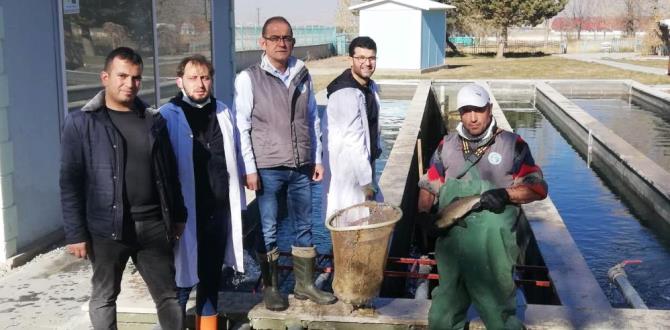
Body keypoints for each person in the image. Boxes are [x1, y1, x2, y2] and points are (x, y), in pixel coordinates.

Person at [60, 47, 186, 330]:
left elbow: (169, 173)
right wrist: (75, 233)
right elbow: (70, 182)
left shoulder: (154, 120)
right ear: (105, 77)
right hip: (107, 229)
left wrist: (179, 214)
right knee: (105, 296)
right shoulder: (81, 123)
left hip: (154, 225)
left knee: (168, 296)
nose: (130, 83)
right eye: (122, 76)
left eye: (136, 78)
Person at [417, 84, 548, 329]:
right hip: (452, 242)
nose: (472, 117)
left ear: (489, 109)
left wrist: (506, 194)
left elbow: (538, 187)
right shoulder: (446, 146)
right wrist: (424, 215)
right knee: (442, 316)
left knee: (499, 314)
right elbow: (429, 183)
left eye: (478, 110)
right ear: (459, 113)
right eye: (466, 111)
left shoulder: (512, 145)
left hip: (493, 247)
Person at [234, 16, 336, 311]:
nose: (282, 43)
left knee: (304, 225)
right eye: (275, 38)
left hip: (301, 165)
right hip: (268, 166)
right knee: (268, 228)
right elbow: (242, 126)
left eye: (287, 38)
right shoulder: (248, 78)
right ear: (262, 42)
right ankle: (272, 287)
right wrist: (249, 168)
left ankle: (304, 285)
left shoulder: (303, 74)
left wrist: (317, 158)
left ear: (293, 42)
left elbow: (313, 118)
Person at [159, 55, 245, 329]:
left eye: (205, 77)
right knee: (180, 280)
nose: (200, 84)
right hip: (183, 213)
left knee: (211, 276)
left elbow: (236, 156)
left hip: (217, 209)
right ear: (180, 81)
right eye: (193, 78)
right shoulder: (167, 115)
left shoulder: (223, 111)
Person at [322, 36, 382, 221]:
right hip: (349, 172)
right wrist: (366, 184)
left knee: (362, 224)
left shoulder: (369, 87)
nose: (367, 63)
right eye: (361, 58)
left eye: (371, 58)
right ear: (351, 60)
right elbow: (354, 141)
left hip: (364, 166)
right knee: (349, 223)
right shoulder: (345, 94)